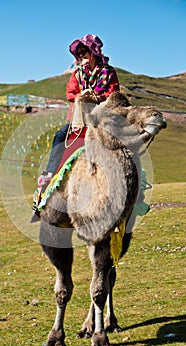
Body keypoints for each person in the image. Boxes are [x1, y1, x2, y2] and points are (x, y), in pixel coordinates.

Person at [30, 34, 120, 222]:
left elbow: (113, 92)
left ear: (93, 51)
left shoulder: (108, 73)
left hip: (101, 117)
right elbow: (70, 92)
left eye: (84, 51)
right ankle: (49, 174)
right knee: (60, 135)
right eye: (79, 53)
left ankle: (124, 190)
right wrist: (82, 93)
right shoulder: (77, 74)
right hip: (79, 120)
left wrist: (96, 95)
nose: (81, 55)